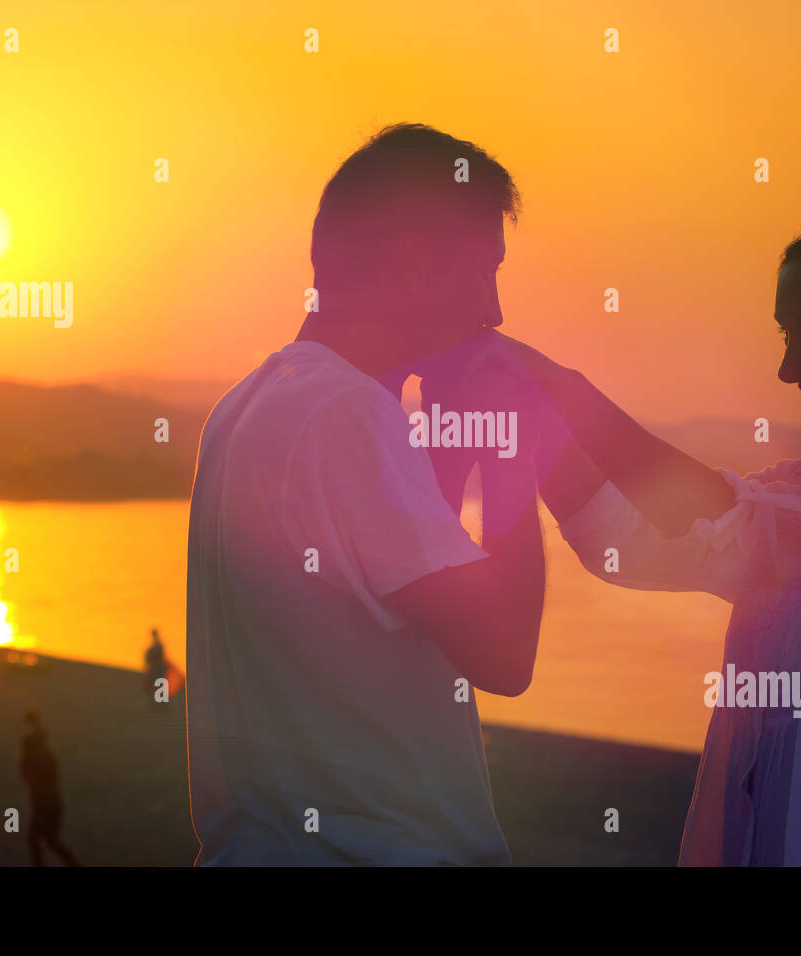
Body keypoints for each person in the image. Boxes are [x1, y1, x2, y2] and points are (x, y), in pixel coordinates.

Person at [462, 204, 801, 865]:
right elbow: (626, 539)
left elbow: (735, 522)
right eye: (787, 335)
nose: (789, 367)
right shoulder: (797, 490)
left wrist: (560, 386)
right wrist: (529, 413)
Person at [185, 124, 546, 865]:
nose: (497, 310)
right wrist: (513, 450)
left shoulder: (249, 405)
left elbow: (396, 589)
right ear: (414, 265)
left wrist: (452, 447)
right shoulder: (349, 416)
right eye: (485, 273)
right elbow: (506, 655)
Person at [19, 710, 80, 866]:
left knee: (39, 840)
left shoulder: (42, 759)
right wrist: (36, 724)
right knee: (48, 841)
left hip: (46, 805)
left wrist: (36, 724)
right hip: (48, 805)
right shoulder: (43, 757)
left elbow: (31, 777)